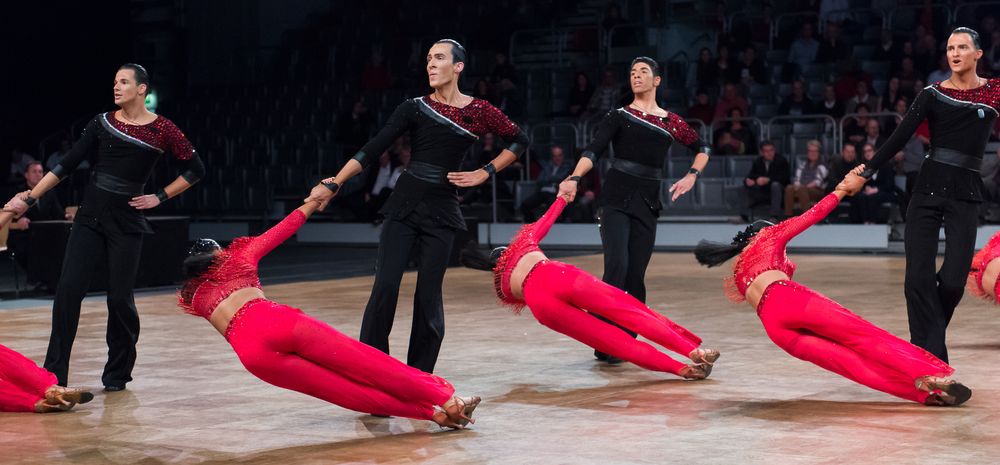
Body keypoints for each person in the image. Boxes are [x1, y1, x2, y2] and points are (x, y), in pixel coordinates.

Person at [305, 39, 528, 374]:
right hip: (405, 204)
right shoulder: (413, 107)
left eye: (439, 58)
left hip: (442, 209)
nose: (431, 65)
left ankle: (418, 377)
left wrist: (485, 172)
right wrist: (335, 182)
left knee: (428, 296)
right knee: (385, 287)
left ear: (458, 67)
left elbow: (520, 140)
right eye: (427, 60)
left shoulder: (479, 111)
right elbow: (372, 148)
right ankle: (372, 372)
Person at [179, 200, 480, 428]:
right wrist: (315, 199)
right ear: (218, 253)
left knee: (344, 391)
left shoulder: (195, 297)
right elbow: (285, 227)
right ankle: (446, 399)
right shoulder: (237, 257)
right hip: (272, 321)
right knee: (367, 363)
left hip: (251, 352)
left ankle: (434, 414)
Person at [694, 167, 972, 406]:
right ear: (764, 229)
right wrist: (841, 189)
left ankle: (923, 395)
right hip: (786, 298)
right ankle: (930, 375)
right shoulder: (769, 235)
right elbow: (812, 215)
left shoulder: (740, 270)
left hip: (773, 326)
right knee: (864, 336)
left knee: (850, 365)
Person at [4, 64, 205, 389]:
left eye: (124, 82)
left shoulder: (163, 129)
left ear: (142, 89)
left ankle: (117, 374)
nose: (116, 87)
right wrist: (29, 197)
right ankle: (54, 376)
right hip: (90, 217)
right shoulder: (101, 123)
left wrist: (159, 196)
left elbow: (196, 169)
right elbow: (65, 167)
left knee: (119, 299)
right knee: (68, 292)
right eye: (114, 82)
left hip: (126, 222)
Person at [557, 57, 711, 364]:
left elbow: (702, 148)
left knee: (636, 275)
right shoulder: (619, 115)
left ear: (657, 81)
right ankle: (605, 339)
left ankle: (627, 339)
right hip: (614, 196)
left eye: (643, 72)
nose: (636, 76)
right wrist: (574, 177)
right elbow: (594, 151)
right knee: (617, 267)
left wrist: (691, 175)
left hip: (648, 200)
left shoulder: (671, 121)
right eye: (632, 73)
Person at [860, 27, 1000, 363]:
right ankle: (932, 359)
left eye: (963, 47)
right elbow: (898, 137)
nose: (954, 53)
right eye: (950, 47)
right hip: (926, 190)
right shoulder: (932, 93)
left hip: (965, 194)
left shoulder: (994, 92)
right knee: (917, 278)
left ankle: (921, 348)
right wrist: (865, 171)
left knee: (953, 281)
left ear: (978, 54)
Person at [461, 197, 719, 378]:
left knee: (613, 341)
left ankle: (679, 369)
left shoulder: (503, 288)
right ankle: (694, 352)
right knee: (630, 312)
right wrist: (562, 198)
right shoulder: (521, 244)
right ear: (506, 250)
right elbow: (544, 221)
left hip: (541, 304)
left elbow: (522, 300)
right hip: (555, 275)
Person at [7, 162, 66, 273]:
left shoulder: (49, 192)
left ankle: (50, 280)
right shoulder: (17, 192)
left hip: (45, 233)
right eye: (34, 171)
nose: (38, 174)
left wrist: (67, 216)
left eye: (40, 171)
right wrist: (20, 219)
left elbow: (58, 213)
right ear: (26, 175)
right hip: (25, 234)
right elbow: (11, 214)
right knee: (25, 249)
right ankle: (37, 276)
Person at [520, 145, 571, 222]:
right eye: (555, 156)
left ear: (563, 156)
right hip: (542, 192)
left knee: (553, 206)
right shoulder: (547, 166)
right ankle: (532, 225)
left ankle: (555, 226)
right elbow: (539, 180)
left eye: (559, 155)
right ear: (552, 157)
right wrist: (552, 179)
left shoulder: (567, 167)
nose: (557, 158)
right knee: (525, 205)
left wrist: (548, 178)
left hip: (556, 193)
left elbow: (561, 179)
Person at [744, 141, 790, 218]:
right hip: (762, 190)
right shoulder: (758, 161)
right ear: (761, 152)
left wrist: (768, 180)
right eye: (766, 151)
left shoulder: (781, 160)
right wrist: (749, 181)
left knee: (775, 185)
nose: (769, 153)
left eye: (771, 150)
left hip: (779, 190)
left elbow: (785, 178)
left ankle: (774, 216)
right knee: (744, 187)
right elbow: (751, 175)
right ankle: (744, 216)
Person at [851, 143, 895, 224]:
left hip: (884, 191)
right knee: (861, 197)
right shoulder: (863, 167)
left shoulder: (886, 165)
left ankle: (873, 223)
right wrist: (866, 188)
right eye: (865, 152)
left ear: (875, 152)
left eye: (869, 150)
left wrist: (876, 190)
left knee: (872, 197)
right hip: (868, 191)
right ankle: (865, 222)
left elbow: (890, 184)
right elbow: (859, 182)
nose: (867, 153)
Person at [784, 140, 828, 216]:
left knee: (802, 189)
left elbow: (817, 182)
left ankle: (807, 218)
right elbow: (797, 180)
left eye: (815, 151)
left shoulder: (822, 166)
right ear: (807, 153)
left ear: (819, 153)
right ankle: (788, 216)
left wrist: (802, 187)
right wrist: (797, 187)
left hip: (818, 192)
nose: (812, 153)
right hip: (802, 189)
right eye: (810, 151)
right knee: (789, 188)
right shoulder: (803, 165)